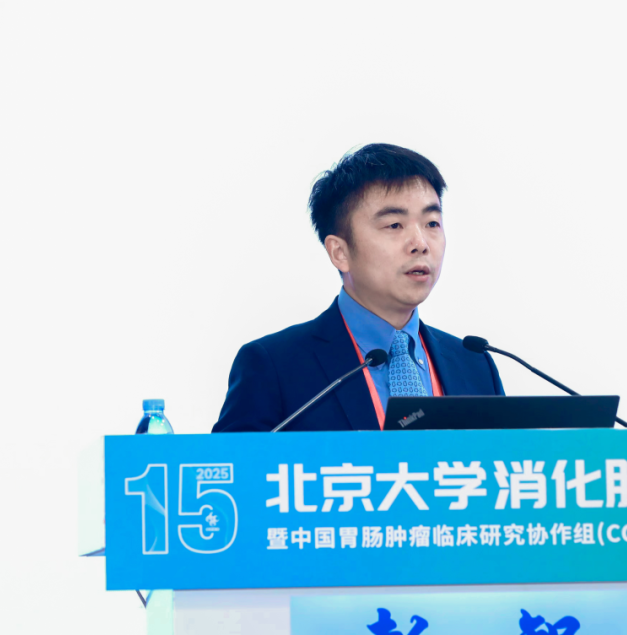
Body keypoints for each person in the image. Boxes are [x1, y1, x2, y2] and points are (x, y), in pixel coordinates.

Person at [212, 143, 504, 432]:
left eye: (432, 223)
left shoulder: (475, 365)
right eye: (394, 225)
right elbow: (234, 463)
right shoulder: (275, 367)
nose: (421, 244)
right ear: (340, 252)